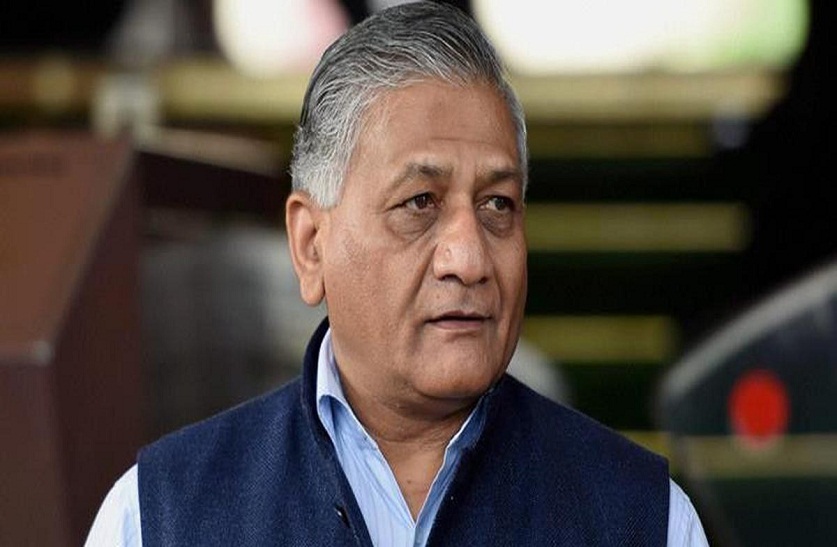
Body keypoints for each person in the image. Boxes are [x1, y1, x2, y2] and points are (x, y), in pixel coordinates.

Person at [86, 2, 709, 545]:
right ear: (311, 245)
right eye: (419, 203)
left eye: (497, 205)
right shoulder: (157, 517)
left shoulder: (647, 520)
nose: (468, 260)